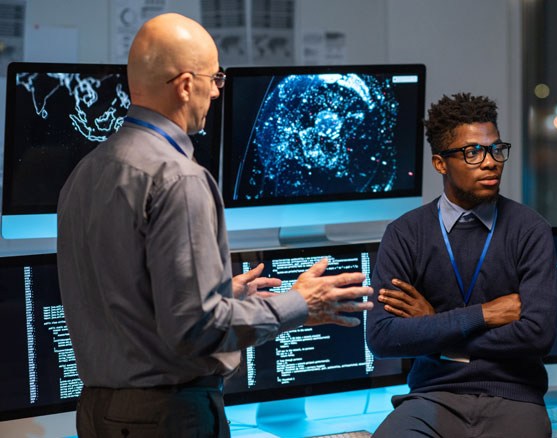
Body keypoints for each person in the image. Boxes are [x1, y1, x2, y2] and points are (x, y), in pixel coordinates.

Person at [57, 13, 372, 438]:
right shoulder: (178, 177)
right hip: (166, 416)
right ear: (187, 85)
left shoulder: (85, 173)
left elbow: (122, 300)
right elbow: (196, 331)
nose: (219, 89)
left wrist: (224, 296)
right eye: (216, 76)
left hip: (97, 414)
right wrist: (301, 303)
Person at [366, 93, 557, 437]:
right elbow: (383, 337)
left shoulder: (530, 230)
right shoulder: (405, 234)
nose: (491, 163)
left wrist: (433, 329)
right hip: (432, 396)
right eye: (473, 152)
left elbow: (538, 334)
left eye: (496, 149)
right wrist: (483, 315)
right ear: (440, 163)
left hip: (514, 396)